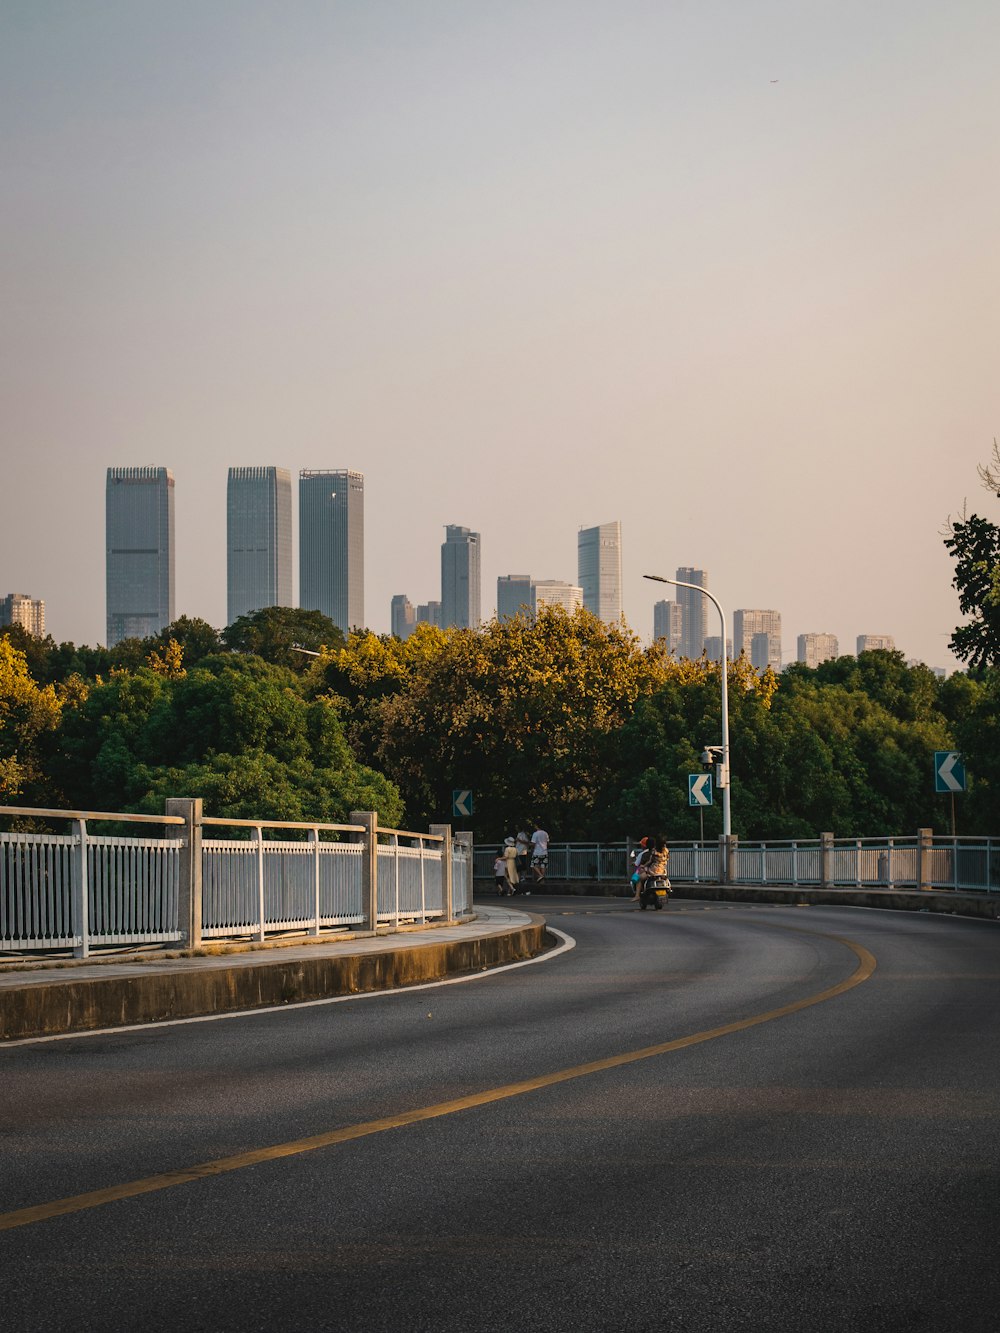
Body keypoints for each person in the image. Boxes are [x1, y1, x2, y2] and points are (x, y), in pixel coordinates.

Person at [629, 836, 650, 902]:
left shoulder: (642, 854)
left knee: (638, 879)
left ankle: (637, 895)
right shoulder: (657, 853)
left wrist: (634, 864)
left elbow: (637, 864)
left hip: (648, 872)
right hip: (659, 872)